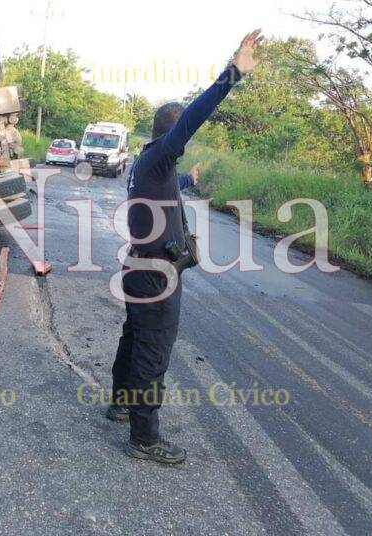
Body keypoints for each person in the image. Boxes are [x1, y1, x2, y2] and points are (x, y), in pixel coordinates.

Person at [109, 30, 264, 464]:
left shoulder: (148, 164)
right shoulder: (160, 153)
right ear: (173, 136)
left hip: (140, 270)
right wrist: (232, 74)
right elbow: (195, 116)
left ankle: (121, 404)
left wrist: (189, 181)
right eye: (182, 136)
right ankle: (144, 437)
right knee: (153, 349)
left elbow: (168, 189)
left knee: (134, 338)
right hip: (156, 274)